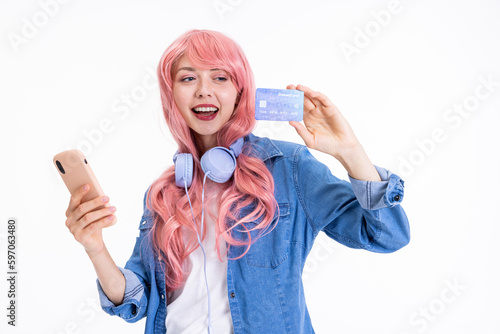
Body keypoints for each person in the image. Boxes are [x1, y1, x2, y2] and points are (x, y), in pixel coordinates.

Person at [64, 29, 410, 334]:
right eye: (187, 79)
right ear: (172, 95)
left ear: (240, 91)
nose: (203, 91)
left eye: (220, 78)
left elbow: (387, 235)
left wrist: (350, 151)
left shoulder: (287, 168)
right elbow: (136, 301)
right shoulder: (165, 193)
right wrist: (94, 246)